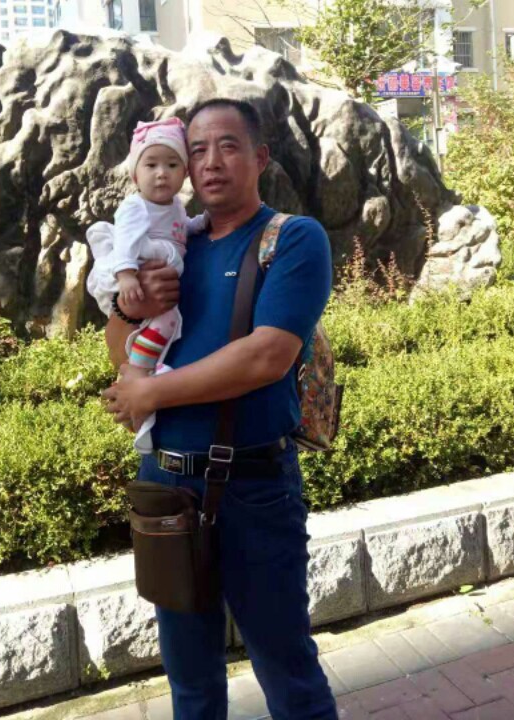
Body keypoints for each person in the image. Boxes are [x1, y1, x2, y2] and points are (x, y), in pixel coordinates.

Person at [100, 98, 337, 720]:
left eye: (227, 146)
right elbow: (124, 353)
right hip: (166, 487)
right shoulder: (175, 242)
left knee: (287, 668)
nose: (209, 163)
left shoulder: (291, 238)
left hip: (253, 489)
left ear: (259, 157)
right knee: (190, 679)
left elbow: (267, 356)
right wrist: (125, 310)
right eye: (196, 150)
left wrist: (150, 394)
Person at [87, 116, 206, 452]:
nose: (161, 173)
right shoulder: (136, 207)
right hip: (140, 271)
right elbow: (126, 241)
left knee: (162, 327)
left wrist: (199, 223)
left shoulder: (175, 206)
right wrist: (126, 274)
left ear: (185, 173)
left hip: (161, 271)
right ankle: (138, 373)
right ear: (134, 174)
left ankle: (143, 379)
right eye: (151, 165)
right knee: (164, 323)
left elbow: (181, 228)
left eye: (172, 165)